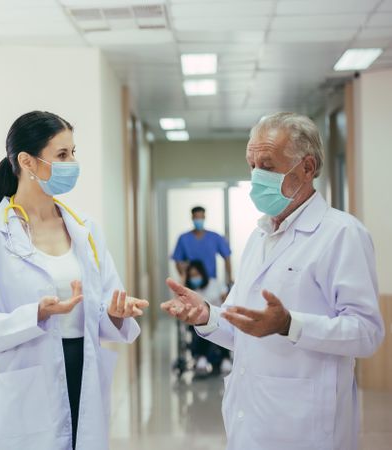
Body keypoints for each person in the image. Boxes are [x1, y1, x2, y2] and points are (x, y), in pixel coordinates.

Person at [161, 112, 384, 450]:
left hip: (307, 427)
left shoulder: (342, 234)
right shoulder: (259, 236)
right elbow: (242, 326)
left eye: (267, 165)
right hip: (250, 419)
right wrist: (207, 315)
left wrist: (290, 325)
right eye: (252, 165)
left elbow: (367, 334)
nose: (256, 177)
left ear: (307, 168)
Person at [0, 111, 149, 450]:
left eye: (73, 153)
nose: (72, 163)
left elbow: (104, 304)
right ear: (27, 162)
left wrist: (117, 312)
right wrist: (36, 315)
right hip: (25, 384)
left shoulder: (84, 228)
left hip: (82, 369)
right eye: (61, 155)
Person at [184, 260, 231, 377]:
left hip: (219, 318)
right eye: (191, 276)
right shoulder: (191, 291)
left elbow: (227, 302)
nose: (194, 278)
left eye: (196, 275)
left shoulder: (215, 284)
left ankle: (225, 359)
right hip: (197, 322)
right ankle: (201, 358)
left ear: (202, 273)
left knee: (217, 326)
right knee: (201, 326)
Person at [172, 206, 233, 285]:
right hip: (192, 282)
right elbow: (178, 261)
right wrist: (184, 279)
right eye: (196, 217)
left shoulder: (214, 237)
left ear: (204, 217)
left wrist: (230, 277)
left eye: (200, 217)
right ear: (192, 218)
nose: (198, 220)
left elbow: (227, 256)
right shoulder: (184, 238)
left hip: (211, 282)